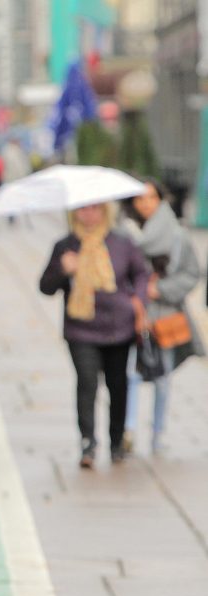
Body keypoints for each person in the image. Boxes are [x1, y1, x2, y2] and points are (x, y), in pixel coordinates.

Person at [39, 202, 149, 469]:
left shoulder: (122, 242)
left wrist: (138, 300)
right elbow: (46, 286)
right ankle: (88, 441)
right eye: (82, 209)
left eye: (94, 209)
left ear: (105, 212)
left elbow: (141, 274)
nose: (87, 214)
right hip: (81, 328)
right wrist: (63, 270)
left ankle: (116, 442)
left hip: (118, 328)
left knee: (117, 385)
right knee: (87, 384)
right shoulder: (66, 245)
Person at [120, 179, 204, 454]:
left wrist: (161, 289)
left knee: (162, 377)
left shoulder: (177, 235)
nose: (145, 204)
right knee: (131, 373)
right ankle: (128, 429)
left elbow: (192, 273)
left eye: (151, 198)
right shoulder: (126, 234)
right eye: (140, 199)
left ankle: (157, 433)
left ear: (160, 199)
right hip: (134, 313)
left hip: (166, 315)